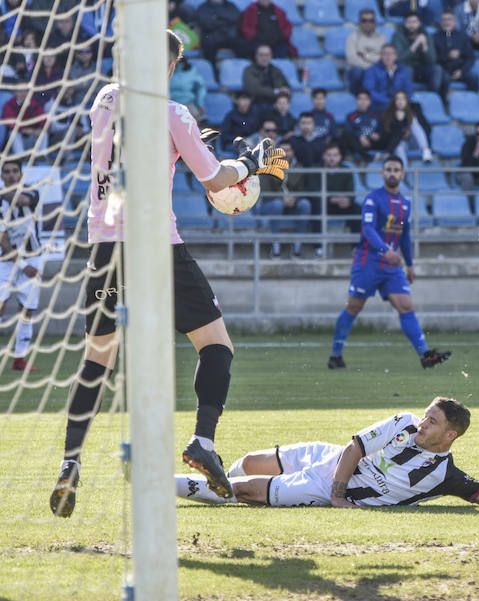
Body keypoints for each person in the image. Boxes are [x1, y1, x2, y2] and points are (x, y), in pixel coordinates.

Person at [49, 30, 290, 518]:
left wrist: (183, 149)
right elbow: (218, 181)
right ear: (171, 68)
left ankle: (70, 461)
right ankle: (202, 441)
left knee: (98, 359)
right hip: (158, 246)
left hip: (105, 247)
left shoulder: (103, 101)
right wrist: (249, 164)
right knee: (216, 344)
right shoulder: (174, 113)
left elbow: (142, 152)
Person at [175, 397, 479, 510]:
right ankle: (202, 478)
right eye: (425, 415)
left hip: (322, 483)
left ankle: (164, 484)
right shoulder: (403, 422)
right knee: (247, 460)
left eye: (432, 422)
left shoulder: (444, 475)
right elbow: (354, 448)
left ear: (449, 436)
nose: (422, 424)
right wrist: (339, 493)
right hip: (333, 461)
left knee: (243, 490)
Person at [327, 156, 450, 371]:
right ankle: (335, 356)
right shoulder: (373, 200)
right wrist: (386, 250)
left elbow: (405, 235)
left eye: (396, 170)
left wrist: (410, 264)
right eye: (388, 169)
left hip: (392, 265)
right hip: (368, 261)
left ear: (402, 175)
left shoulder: (405, 203)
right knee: (354, 307)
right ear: (382, 174)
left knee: (406, 306)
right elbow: (368, 230)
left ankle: (425, 355)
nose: (392, 173)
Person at [0, 159, 42, 372]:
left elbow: (23, 202)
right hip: (6, 261)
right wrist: (22, 264)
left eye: (15, 171)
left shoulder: (32, 193)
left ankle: (19, 359)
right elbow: (3, 238)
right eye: (6, 172)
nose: (10, 175)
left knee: (27, 310)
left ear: (21, 174)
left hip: (33, 257)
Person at [259, 138, 310, 258]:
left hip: (293, 203)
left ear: (293, 152)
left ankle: (298, 244)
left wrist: (295, 199)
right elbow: (265, 193)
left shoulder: (300, 168)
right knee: (277, 204)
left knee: (305, 205)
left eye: (288, 150)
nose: (285, 153)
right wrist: (283, 198)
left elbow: (303, 190)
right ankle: (275, 245)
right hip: (272, 204)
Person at [303, 143, 360, 240]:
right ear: (323, 156)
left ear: (340, 157)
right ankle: (318, 247)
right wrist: (331, 199)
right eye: (329, 155)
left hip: (340, 205)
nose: (332, 158)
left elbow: (351, 191)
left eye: (335, 155)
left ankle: (356, 247)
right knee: (317, 207)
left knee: (357, 209)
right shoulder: (315, 169)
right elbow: (313, 192)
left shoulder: (346, 170)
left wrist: (348, 200)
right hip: (322, 204)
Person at [392, 13, 444, 97]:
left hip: (422, 68)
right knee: (406, 69)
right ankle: (408, 99)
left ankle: (431, 97)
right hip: (407, 67)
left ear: (419, 23)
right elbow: (399, 59)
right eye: (409, 22)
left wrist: (424, 46)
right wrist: (414, 46)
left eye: (414, 22)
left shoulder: (426, 35)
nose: (411, 25)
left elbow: (432, 60)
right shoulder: (398, 36)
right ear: (404, 23)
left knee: (437, 69)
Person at [434, 11, 479, 93]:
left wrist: (462, 71)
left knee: (474, 78)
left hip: (460, 70)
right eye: (444, 20)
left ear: (455, 22)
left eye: (449, 20)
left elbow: (470, 57)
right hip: (444, 70)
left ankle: (470, 103)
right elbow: (433, 58)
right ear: (440, 22)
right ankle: (442, 105)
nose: (446, 22)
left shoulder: (462, 36)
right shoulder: (435, 37)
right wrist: (447, 55)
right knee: (443, 79)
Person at [196, 0, 251, 66]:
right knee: (208, 45)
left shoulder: (230, 5)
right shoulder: (204, 7)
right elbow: (205, 23)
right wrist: (225, 20)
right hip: (213, 36)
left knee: (243, 45)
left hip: (230, 36)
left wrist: (217, 18)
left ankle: (243, 68)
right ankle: (212, 70)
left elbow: (236, 17)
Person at [345, 9, 387, 94]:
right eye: (364, 20)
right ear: (360, 22)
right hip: (361, 70)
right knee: (357, 72)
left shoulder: (382, 38)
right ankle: (357, 97)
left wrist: (366, 56)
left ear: (375, 22)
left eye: (371, 21)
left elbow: (385, 58)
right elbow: (352, 59)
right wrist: (370, 68)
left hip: (376, 69)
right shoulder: (352, 37)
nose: (368, 23)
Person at [363, 44, 413, 114]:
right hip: (379, 103)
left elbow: (409, 90)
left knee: (416, 107)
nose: (388, 57)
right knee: (388, 109)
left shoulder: (402, 71)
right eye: (385, 54)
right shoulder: (372, 70)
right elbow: (369, 91)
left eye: (391, 54)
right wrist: (389, 102)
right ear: (381, 56)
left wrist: (401, 101)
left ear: (395, 56)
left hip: (399, 102)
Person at [1, 85, 47, 156]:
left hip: (32, 137)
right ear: (15, 92)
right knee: (13, 132)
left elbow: (44, 119)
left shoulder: (35, 103)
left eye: (25, 91)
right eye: (20, 91)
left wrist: (39, 129)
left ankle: (42, 157)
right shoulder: (10, 104)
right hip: (18, 140)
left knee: (43, 133)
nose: (23, 93)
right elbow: (9, 121)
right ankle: (20, 157)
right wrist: (23, 129)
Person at [242, 44, 291, 109]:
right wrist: (276, 92)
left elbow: (285, 85)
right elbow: (254, 89)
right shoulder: (249, 70)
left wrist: (286, 90)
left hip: (275, 106)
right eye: (261, 55)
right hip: (255, 105)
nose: (264, 58)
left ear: (271, 56)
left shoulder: (276, 70)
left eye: (267, 55)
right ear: (256, 56)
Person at [341, 90, 381, 162]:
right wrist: (360, 136)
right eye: (360, 99)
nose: (363, 102)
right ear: (356, 101)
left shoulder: (375, 116)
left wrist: (377, 135)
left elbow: (380, 132)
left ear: (370, 101)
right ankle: (367, 157)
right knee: (345, 135)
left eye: (365, 99)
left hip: (372, 143)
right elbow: (348, 131)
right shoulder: (351, 116)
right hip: (357, 143)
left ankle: (388, 154)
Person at [220, 91, 260, 156]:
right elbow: (225, 136)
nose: (245, 102)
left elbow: (257, 132)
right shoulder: (230, 116)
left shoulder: (254, 114)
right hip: (234, 144)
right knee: (245, 150)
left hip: (251, 142)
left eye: (247, 99)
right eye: (243, 99)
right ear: (237, 101)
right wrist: (240, 140)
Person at [169, 57, 207, 122]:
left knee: (193, 122)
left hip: (188, 105)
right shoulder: (165, 71)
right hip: (169, 105)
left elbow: (200, 88)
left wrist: (200, 104)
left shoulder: (191, 71)